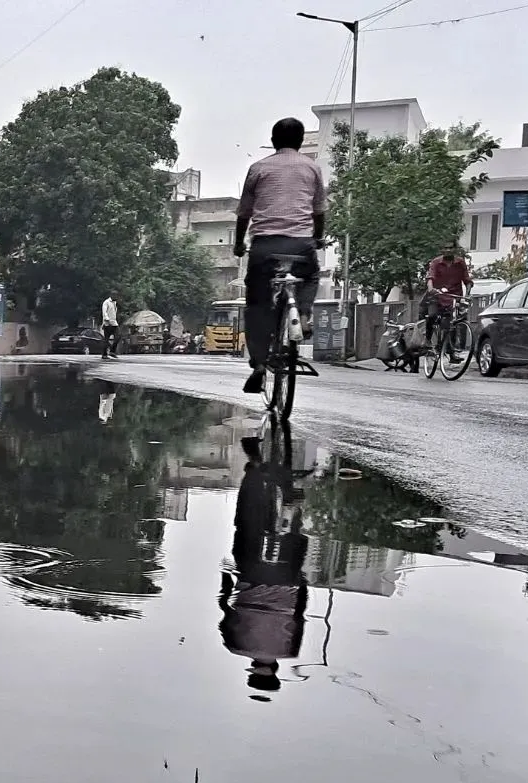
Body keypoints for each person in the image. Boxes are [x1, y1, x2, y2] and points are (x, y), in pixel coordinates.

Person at [234, 117, 327, 394]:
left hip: (264, 246)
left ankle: (259, 365)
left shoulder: (258, 168)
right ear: (300, 142)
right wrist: (318, 238)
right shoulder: (312, 168)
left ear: (273, 141)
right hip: (301, 244)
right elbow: (319, 211)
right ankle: (306, 314)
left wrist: (239, 243)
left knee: (257, 304)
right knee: (311, 275)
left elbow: (244, 213)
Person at [218, 437, 310, 695]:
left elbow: (300, 613)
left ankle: (294, 512)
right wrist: (226, 576)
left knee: (296, 539)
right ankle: (255, 467)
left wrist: (301, 581)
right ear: (253, 668)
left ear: (276, 671)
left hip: (286, 580)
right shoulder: (235, 647)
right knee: (246, 527)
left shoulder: (290, 651)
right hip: (250, 574)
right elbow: (224, 606)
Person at [424, 245, 473, 344]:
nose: (448, 250)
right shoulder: (436, 262)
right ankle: (427, 341)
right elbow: (430, 278)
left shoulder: (460, 263)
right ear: (442, 250)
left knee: (454, 321)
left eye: (450, 248)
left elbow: (467, 280)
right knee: (432, 316)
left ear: (454, 249)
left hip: (454, 297)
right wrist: (431, 289)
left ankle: (452, 351)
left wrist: (467, 294)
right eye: (445, 248)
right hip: (438, 295)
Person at [100, 293, 120, 359]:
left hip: (114, 323)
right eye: (116, 296)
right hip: (107, 323)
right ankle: (104, 354)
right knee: (106, 339)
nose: (117, 297)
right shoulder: (106, 302)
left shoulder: (115, 303)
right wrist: (107, 320)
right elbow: (104, 312)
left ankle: (112, 351)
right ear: (112, 295)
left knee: (118, 337)